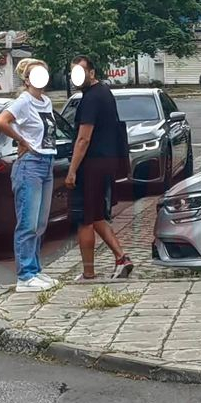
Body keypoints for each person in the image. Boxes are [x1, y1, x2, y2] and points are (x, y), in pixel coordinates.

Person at [64, 55, 134, 280]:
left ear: (92, 73)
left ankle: (88, 273)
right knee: (95, 216)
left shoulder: (91, 98)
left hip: (91, 165)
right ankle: (122, 258)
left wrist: (72, 170)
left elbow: (83, 138)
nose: (77, 77)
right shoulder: (104, 92)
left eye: (81, 72)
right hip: (106, 162)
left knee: (84, 219)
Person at [0, 59, 58, 292]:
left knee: (40, 223)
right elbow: (0, 121)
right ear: (27, 79)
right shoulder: (22, 101)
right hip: (29, 164)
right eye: (35, 74)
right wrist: (21, 140)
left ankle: (36, 270)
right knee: (27, 222)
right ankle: (25, 275)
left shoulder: (46, 101)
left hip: (47, 162)